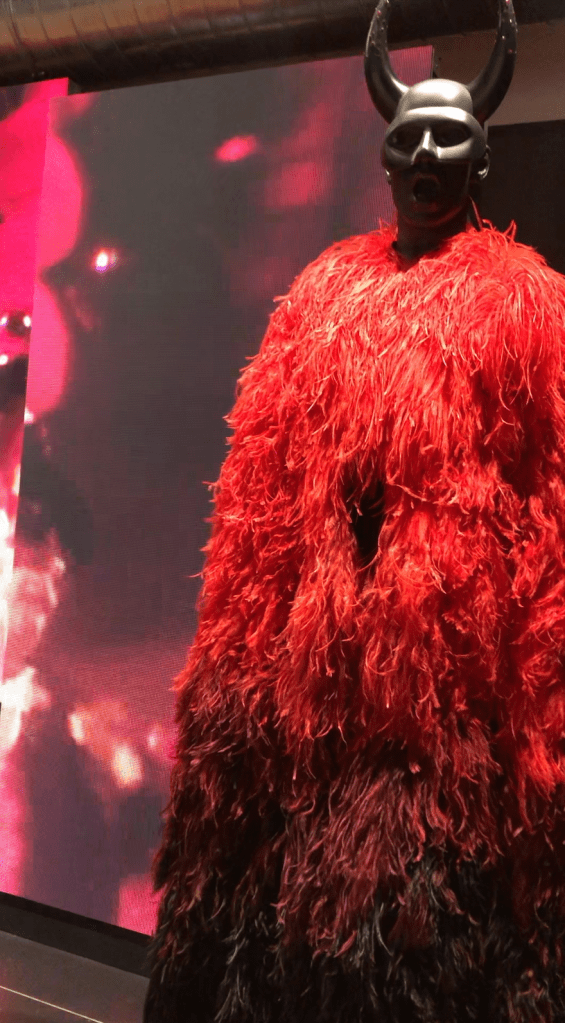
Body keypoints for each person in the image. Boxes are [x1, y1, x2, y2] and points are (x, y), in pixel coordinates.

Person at [144, 1, 565, 1019]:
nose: (424, 155)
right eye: (408, 136)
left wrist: (531, 706)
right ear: (382, 155)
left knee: (418, 946)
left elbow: (547, 511)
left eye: (448, 137)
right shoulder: (322, 293)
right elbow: (260, 487)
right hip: (307, 687)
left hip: (440, 705)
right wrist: (237, 673)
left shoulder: (527, 305)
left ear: (482, 156)